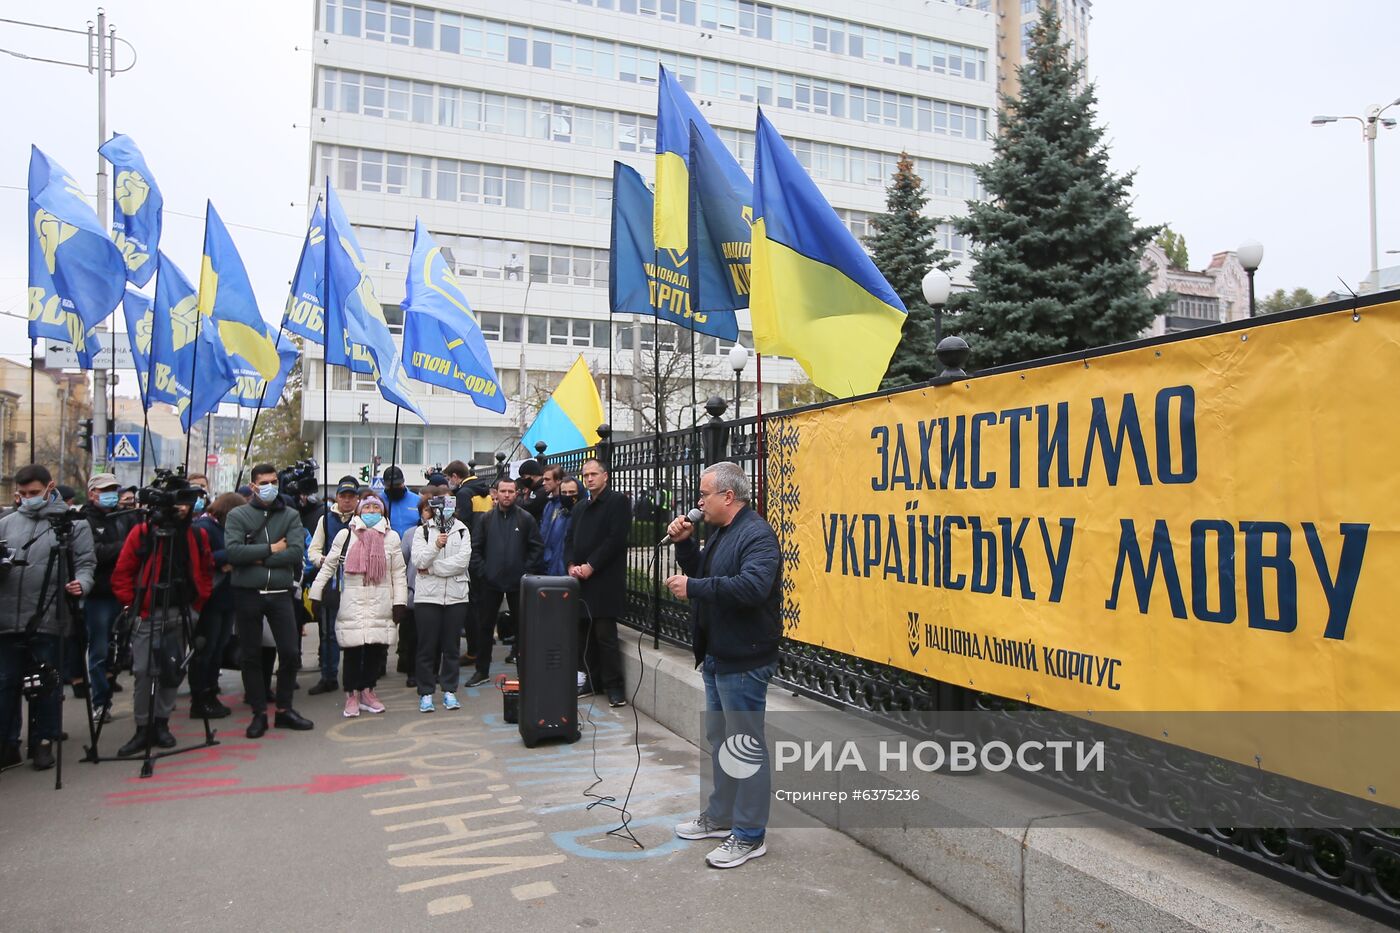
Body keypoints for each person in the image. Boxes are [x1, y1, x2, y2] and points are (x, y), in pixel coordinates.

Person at [666, 461, 781, 869]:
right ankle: (720, 817)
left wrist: (693, 587)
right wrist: (685, 544)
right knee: (721, 739)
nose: (699, 502)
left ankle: (750, 835)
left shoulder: (757, 535)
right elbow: (703, 572)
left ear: (728, 496)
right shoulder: (721, 533)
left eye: (704, 495)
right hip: (718, 655)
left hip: (745, 659)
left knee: (744, 747)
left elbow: (751, 588)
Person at [0, 465, 97, 771]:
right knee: (6, 683)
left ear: (49, 486)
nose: (28, 498)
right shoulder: (6, 523)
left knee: (45, 683)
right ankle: (8, 743)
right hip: (6, 618)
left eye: (33, 493)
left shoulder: (72, 525)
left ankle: (42, 742)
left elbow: (85, 563)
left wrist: (81, 584)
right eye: (23, 494)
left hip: (49, 615)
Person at [110, 487, 214, 756]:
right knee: (144, 671)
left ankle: (162, 724)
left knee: (171, 670)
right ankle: (142, 728)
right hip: (147, 612)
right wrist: (130, 605)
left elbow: (206, 568)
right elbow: (123, 571)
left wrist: (198, 604)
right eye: (178, 503)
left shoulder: (195, 533)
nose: (181, 508)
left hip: (182, 611)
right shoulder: (144, 532)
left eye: (186, 503)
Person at [224, 463, 313, 738]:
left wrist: (257, 557)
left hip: (280, 594)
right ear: (253, 486)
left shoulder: (289, 515)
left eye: (274, 481)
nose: (270, 486)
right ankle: (259, 713)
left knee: (290, 653)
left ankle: (284, 709)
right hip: (248, 594)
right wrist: (272, 549)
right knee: (251, 656)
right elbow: (234, 553)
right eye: (264, 482)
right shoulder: (238, 515)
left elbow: (296, 552)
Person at [309, 494, 407, 717]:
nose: (371, 511)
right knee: (352, 651)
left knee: (375, 650)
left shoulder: (391, 538)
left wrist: (400, 601)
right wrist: (316, 594)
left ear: (383, 511)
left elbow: (398, 573)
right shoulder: (345, 535)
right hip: (351, 601)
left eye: (376, 507)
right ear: (358, 511)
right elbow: (328, 566)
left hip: (381, 601)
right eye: (367, 507)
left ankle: (368, 691)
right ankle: (351, 695)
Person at [466, 477, 542, 687]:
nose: (507, 495)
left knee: (522, 629)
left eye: (511, 491)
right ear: (495, 493)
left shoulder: (526, 519)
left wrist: (525, 572)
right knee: (485, 627)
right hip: (490, 583)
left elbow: (536, 548)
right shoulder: (485, 519)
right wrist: (483, 572)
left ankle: (523, 672)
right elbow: (475, 549)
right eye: (503, 491)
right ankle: (482, 671)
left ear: (516, 493)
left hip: (518, 584)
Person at [79, 472, 136, 722]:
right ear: (92, 493)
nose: (111, 495)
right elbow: (95, 553)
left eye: (114, 489)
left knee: (120, 648)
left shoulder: (122, 518)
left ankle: (111, 688)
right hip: (99, 595)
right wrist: (125, 546)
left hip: (123, 590)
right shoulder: (84, 520)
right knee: (99, 650)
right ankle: (100, 702)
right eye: (105, 490)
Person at [411, 492, 472, 712]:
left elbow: (462, 562)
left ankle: (449, 690)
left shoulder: (463, 530)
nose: (443, 511)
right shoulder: (423, 531)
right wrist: (435, 546)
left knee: (451, 646)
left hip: (456, 596)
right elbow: (418, 561)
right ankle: (426, 692)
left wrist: (434, 569)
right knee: (427, 647)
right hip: (428, 597)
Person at [305, 476, 362, 695]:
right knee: (328, 633)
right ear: (337, 497)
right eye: (343, 496)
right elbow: (313, 551)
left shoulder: (365, 519)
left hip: (358, 583)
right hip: (331, 582)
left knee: (356, 632)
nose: (347, 501)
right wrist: (325, 561)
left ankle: (357, 676)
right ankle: (328, 676)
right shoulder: (325, 520)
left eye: (352, 496)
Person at [189, 491, 243, 719]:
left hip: (227, 597)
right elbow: (206, 557)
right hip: (211, 598)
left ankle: (211, 692)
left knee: (218, 648)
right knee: (206, 649)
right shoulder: (204, 527)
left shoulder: (222, 528)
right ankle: (200, 697)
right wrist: (233, 556)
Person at [540, 467, 576, 577]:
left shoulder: (568, 506)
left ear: (558, 481)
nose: (543, 483)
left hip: (562, 568)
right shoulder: (549, 505)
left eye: (547, 479)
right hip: (546, 565)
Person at [380, 466, 421, 535]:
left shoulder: (418, 500)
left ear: (403, 481)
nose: (395, 488)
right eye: (391, 485)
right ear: (384, 484)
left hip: (413, 544)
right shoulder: (378, 502)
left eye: (398, 484)